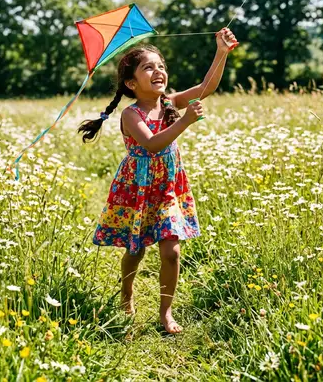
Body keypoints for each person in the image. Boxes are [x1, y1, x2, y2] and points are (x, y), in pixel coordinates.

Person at [78, 28, 238, 334]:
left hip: (167, 188)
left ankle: (166, 312)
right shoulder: (131, 114)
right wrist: (187, 121)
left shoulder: (170, 102)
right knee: (135, 250)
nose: (158, 71)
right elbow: (152, 144)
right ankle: (127, 295)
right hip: (138, 188)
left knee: (171, 251)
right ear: (131, 83)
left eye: (161, 66)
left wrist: (221, 52)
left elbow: (206, 86)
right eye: (148, 67)